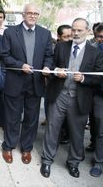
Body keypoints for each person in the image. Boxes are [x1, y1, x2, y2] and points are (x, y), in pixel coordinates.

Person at [40, 18, 103, 178]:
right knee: (52, 129)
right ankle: (47, 161)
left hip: (80, 99)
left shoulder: (95, 52)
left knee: (77, 133)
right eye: (74, 29)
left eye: (79, 30)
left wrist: (83, 79)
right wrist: (56, 71)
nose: (75, 33)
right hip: (59, 95)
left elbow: (98, 77)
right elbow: (52, 65)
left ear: (87, 31)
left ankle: (73, 162)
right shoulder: (61, 46)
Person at [0, 3, 53, 164]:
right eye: (29, 13)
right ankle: (8, 146)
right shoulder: (10, 32)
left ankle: (26, 149)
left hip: (35, 83)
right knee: (12, 117)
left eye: (36, 13)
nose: (33, 16)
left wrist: (46, 67)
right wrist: (19, 65)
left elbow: (49, 56)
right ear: (23, 15)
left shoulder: (45, 33)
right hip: (15, 81)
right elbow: (4, 55)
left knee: (31, 118)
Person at [88, 22, 103, 177]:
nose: (100, 40)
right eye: (98, 37)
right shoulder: (94, 51)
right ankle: (99, 162)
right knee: (100, 129)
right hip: (99, 94)